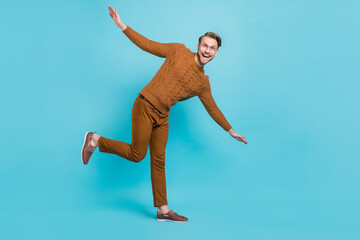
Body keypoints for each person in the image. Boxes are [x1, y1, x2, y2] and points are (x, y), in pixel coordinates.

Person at [81, 6, 247, 223]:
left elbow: (212, 108)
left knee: (158, 161)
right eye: (204, 45)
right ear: (198, 46)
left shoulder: (203, 84)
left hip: (162, 117)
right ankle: (95, 139)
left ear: (216, 53)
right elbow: (148, 45)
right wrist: (123, 26)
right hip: (145, 105)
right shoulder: (177, 51)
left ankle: (163, 210)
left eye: (212, 48)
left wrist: (230, 130)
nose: (207, 50)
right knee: (137, 154)